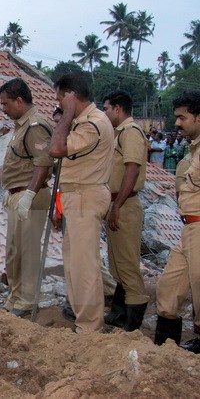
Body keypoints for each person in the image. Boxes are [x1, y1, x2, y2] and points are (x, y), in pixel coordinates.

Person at [49, 73, 115, 333]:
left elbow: (56, 149)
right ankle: (83, 320)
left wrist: (66, 114)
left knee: (85, 267)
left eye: (60, 98)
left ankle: (89, 327)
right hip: (76, 197)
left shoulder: (92, 123)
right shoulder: (83, 121)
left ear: (70, 96)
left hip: (86, 196)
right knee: (75, 264)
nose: (58, 103)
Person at [0, 78, 53, 317]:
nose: (3, 108)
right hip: (17, 193)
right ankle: (16, 294)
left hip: (31, 194)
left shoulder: (35, 126)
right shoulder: (21, 125)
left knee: (27, 250)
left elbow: (43, 164)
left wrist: (28, 194)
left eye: (6, 103)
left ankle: (27, 299)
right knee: (14, 251)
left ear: (19, 100)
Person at [154, 91, 200, 353]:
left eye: (183, 117)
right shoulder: (192, 150)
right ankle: (164, 353)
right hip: (188, 230)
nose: (177, 123)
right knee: (169, 289)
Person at [102, 91, 149, 331]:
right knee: (117, 263)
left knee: (128, 264)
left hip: (125, 203)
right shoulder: (119, 133)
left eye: (107, 108)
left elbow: (132, 169)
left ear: (118, 109)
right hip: (117, 202)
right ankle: (119, 313)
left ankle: (132, 325)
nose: (105, 113)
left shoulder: (131, 132)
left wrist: (118, 205)